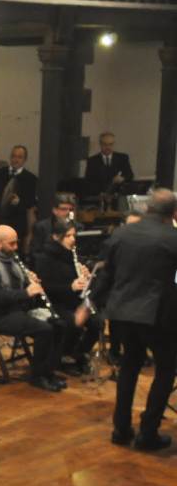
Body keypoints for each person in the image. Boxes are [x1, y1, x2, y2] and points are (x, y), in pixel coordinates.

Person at [89, 189, 177, 450]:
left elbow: (106, 274)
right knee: (166, 370)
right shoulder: (172, 238)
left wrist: (90, 303)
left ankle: (121, 428)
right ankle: (148, 432)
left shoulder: (122, 233)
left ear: (148, 208)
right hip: (157, 315)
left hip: (122, 312)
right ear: (174, 213)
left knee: (129, 366)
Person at [0, 226, 66, 392]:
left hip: (18, 310)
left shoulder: (11, 259)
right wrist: (26, 292)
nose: (16, 247)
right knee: (44, 329)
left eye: (16, 243)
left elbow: (17, 285)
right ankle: (38, 376)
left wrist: (29, 280)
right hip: (1, 316)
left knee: (59, 324)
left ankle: (48, 371)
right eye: (11, 244)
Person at [35, 220, 102, 376]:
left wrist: (85, 276)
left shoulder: (71, 254)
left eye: (73, 235)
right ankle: (64, 357)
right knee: (72, 322)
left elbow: (78, 281)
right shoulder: (45, 258)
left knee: (97, 322)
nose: (72, 239)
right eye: (67, 236)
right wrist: (70, 286)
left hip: (72, 300)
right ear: (56, 237)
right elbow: (46, 287)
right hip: (54, 303)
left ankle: (78, 353)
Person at [0, 145, 38, 244]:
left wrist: (19, 202)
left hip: (18, 223)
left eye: (19, 157)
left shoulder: (31, 179)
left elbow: (31, 204)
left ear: (25, 159)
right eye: (13, 156)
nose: (16, 160)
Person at [29, 193, 75, 266]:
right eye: (64, 209)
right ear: (54, 210)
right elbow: (35, 253)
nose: (68, 212)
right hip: (48, 266)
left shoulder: (77, 227)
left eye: (71, 209)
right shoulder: (42, 227)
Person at [83, 132, 134, 198]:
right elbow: (88, 181)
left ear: (114, 144)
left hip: (118, 196)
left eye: (110, 144)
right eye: (105, 144)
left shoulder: (122, 158)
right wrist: (99, 193)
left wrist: (122, 178)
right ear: (100, 144)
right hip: (99, 197)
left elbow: (130, 175)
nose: (108, 147)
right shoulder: (92, 161)